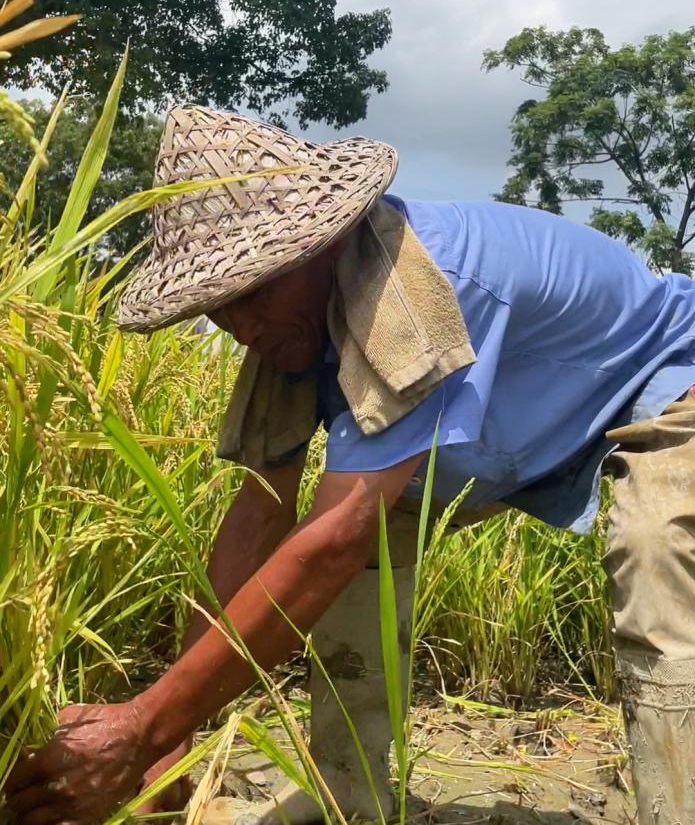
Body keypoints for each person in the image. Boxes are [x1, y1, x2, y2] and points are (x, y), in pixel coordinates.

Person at [7, 106, 695, 825]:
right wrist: (172, 731)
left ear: (318, 246)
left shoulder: (410, 291)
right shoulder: (289, 326)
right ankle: (348, 787)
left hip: (664, 375)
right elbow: (257, 513)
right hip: (527, 425)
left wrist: (140, 725)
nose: (242, 325)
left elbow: (331, 540)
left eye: (252, 293)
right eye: (218, 306)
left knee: (656, 548)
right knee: (369, 534)